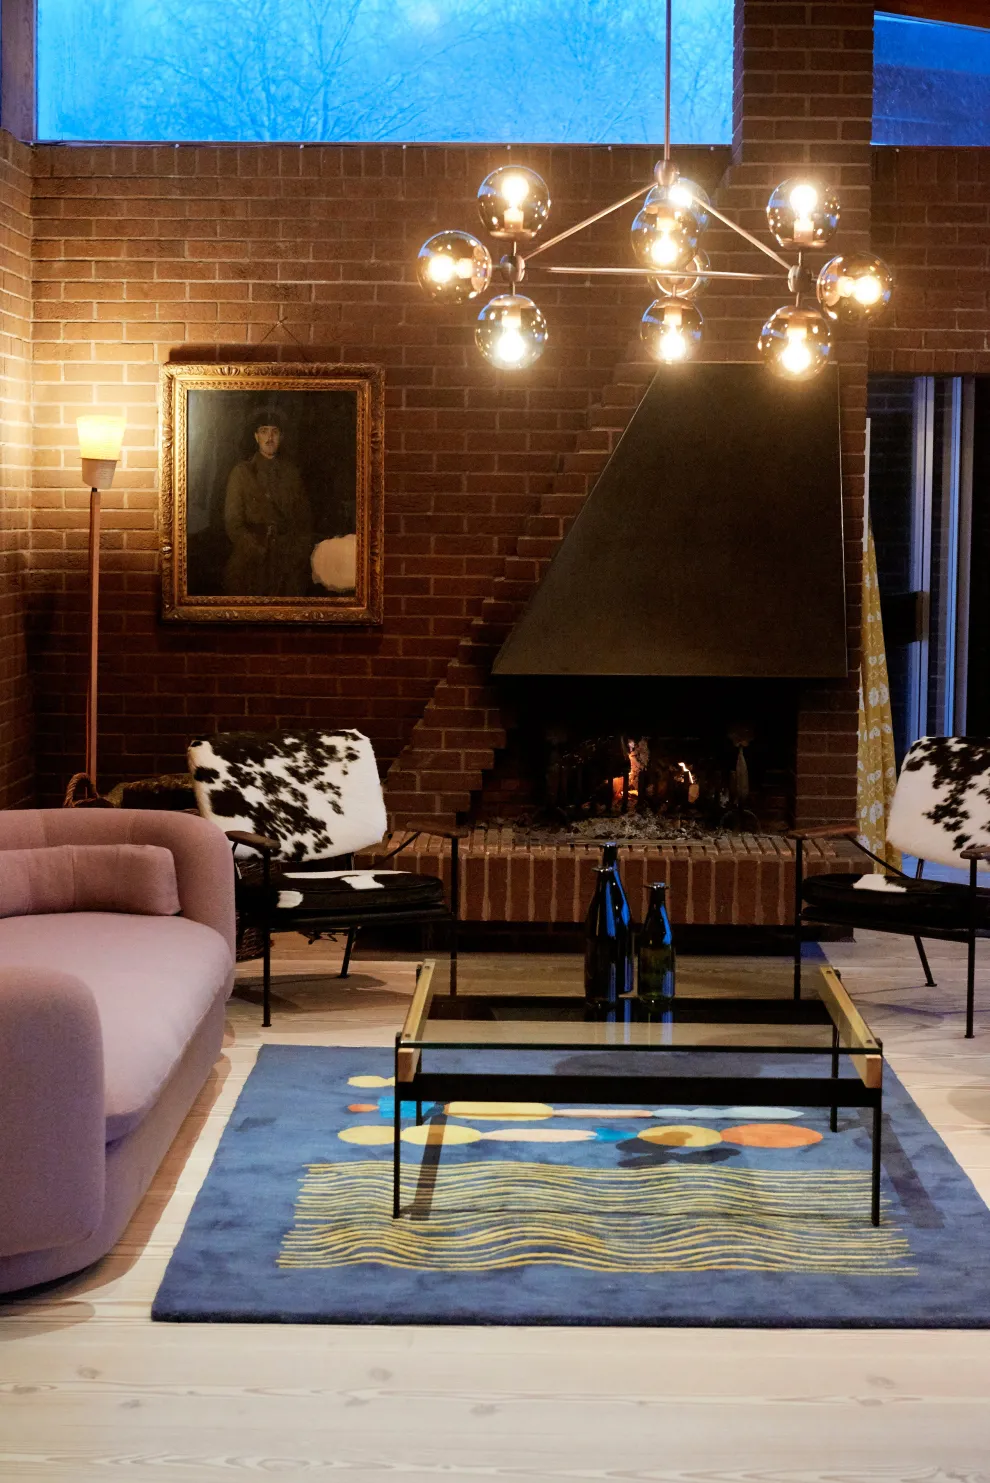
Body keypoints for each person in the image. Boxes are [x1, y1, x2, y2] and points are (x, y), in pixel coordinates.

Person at [223, 411, 313, 597]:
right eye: (264, 431)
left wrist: (296, 554)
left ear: (281, 437)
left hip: (287, 562)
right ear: (256, 437)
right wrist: (255, 550)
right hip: (251, 562)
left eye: (275, 432)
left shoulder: (291, 474)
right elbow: (233, 523)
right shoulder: (242, 473)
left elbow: (304, 521)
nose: (270, 438)